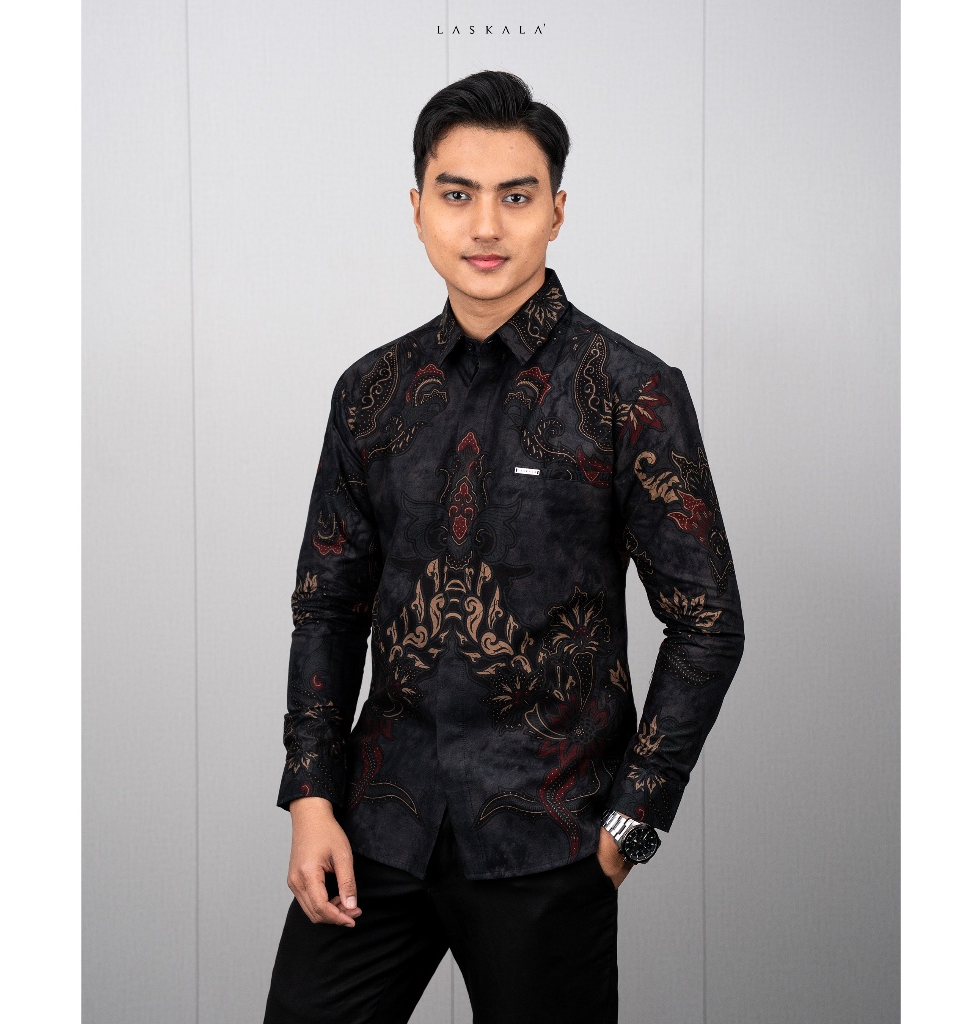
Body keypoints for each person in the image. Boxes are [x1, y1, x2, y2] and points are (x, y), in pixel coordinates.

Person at [263, 69, 744, 1024]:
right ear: (417, 209)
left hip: (550, 838)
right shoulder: (370, 392)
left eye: (515, 197)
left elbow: (707, 623)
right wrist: (311, 798)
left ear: (557, 211)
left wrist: (632, 821)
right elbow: (328, 605)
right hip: (379, 824)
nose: (485, 226)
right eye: (457, 195)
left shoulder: (630, 391)